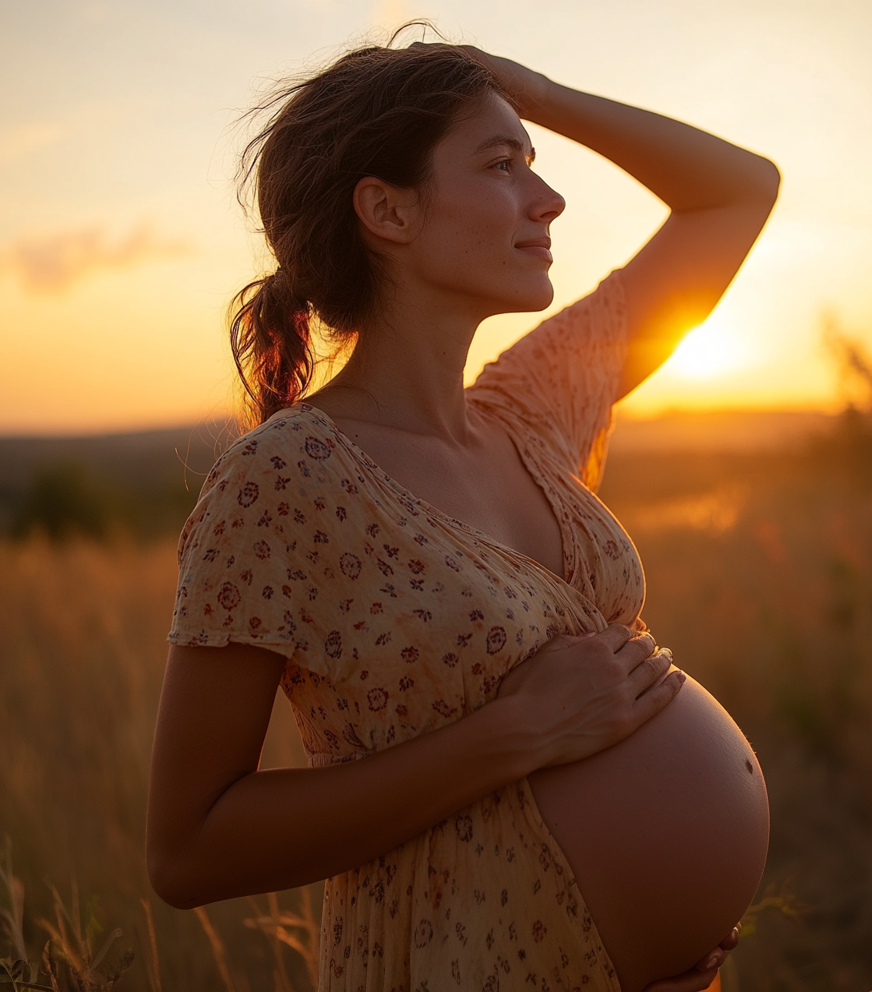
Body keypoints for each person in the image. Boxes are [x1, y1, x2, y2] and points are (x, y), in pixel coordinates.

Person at [146, 30, 778, 992]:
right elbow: (189, 851)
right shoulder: (284, 481)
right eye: (501, 164)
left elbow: (736, 193)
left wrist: (531, 90)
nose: (550, 198)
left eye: (535, 162)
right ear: (386, 210)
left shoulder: (531, 411)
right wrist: (510, 734)